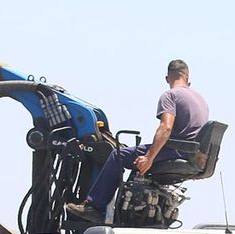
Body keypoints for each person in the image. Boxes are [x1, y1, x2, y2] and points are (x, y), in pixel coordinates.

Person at [71, 59, 210, 218]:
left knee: (118, 155)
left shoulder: (170, 95)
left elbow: (166, 127)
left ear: (167, 78)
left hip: (175, 151)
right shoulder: (200, 99)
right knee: (131, 154)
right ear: (187, 78)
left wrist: (149, 158)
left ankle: (95, 206)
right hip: (190, 154)